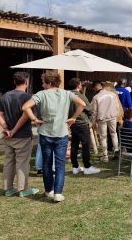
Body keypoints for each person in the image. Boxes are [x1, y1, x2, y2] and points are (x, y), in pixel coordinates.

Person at [22, 72, 86, 202]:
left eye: (43, 82)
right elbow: (83, 104)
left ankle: (48, 190)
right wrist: (73, 117)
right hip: (61, 132)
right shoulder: (67, 93)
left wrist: (34, 119)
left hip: (45, 132)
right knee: (60, 165)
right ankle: (58, 193)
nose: (42, 84)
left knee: (46, 163)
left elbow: (25, 107)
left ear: (49, 83)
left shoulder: (41, 94)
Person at [0, 71, 38, 197]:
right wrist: (13, 130)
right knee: (22, 162)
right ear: (27, 82)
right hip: (22, 135)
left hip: (8, 135)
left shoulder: (5, 96)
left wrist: (5, 128)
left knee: (9, 161)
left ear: (14, 82)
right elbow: (27, 116)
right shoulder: (27, 97)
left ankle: (8, 188)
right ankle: (23, 189)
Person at [67, 78, 100, 175]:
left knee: (74, 145)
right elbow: (89, 109)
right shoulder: (81, 96)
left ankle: (75, 166)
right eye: (80, 85)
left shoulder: (66, 95)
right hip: (81, 123)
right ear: (78, 86)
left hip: (71, 123)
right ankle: (87, 167)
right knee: (85, 145)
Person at [91, 81, 120, 163]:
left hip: (102, 118)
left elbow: (94, 112)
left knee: (103, 137)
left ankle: (105, 156)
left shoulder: (96, 97)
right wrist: (116, 115)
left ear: (95, 87)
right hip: (112, 117)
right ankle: (116, 151)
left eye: (93, 88)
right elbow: (117, 106)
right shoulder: (113, 94)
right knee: (114, 134)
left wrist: (93, 122)